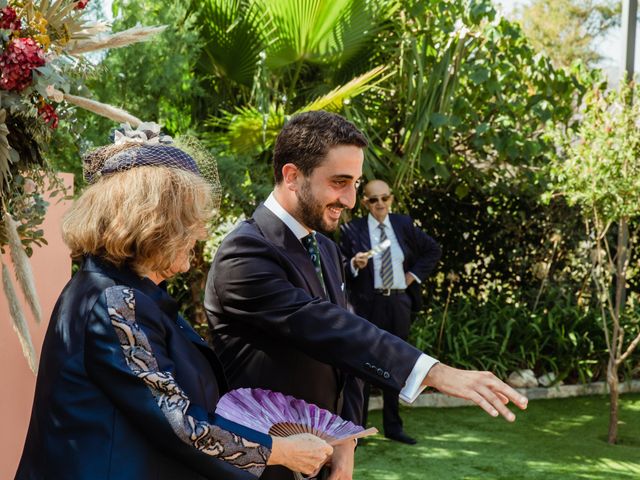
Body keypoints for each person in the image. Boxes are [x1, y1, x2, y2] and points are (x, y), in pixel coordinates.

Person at [205, 111, 528, 480]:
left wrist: (347, 439)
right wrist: (432, 371)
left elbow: (348, 353)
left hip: (323, 463)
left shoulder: (325, 249)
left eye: (355, 183)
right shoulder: (244, 253)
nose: (352, 199)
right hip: (265, 468)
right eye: (340, 182)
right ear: (293, 176)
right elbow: (328, 328)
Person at [15, 125, 333, 480]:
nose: (200, 233)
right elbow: (178, 422)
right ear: (155, 224)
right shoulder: (115, 300)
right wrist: (280, 452)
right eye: (191, 222)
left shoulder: (122, 291)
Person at [339, 179, 441, 445]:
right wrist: (354, 263)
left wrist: (411, 277)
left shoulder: (403, 225)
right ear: (365, 203)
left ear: (391, 199)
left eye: (385, 198)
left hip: (398, 303)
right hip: (366, 304)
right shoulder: (352, 229)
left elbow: (432, 250)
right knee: (361, 364)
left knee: (396, 365)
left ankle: (393, 428)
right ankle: (356, 430)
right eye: (374, 200)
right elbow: (338, 264)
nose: (380, 204)